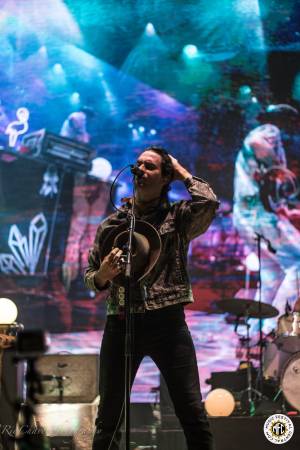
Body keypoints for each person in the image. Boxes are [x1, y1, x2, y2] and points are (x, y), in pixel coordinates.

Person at [84, 146, 219, 450]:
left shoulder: (178, 217)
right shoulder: (111, 225)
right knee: (108, 421)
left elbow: (209, 202)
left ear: (165, 178)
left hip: (168, 324)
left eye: (150, 167)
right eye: (138, 165)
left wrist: (181, 170)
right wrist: (103, 274)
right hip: (121, 323)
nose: (140, 171)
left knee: (193, 415)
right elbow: (90, 273)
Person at [233, 122, 300, 331]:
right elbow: (257, 142)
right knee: (297, 264)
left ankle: (253, 335)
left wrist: (287, 211)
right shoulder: (265, 134)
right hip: (254, 217)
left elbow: (272, 196)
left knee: (272, 275)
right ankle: (271, 326)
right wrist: (277, 159)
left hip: (255, 217)